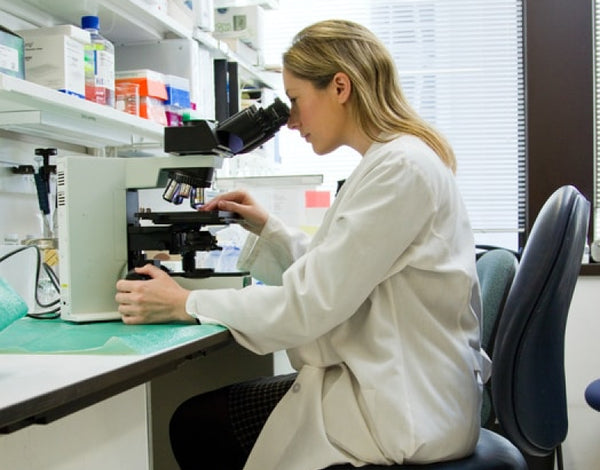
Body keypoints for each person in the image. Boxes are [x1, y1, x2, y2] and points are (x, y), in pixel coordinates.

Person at [115, 19, 489, 470]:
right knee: (207, 421)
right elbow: (341, 275)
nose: (290, 120)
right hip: (400, 386)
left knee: (197, 425)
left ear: (339, 86)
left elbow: (309, 306)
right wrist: (269, 228)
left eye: (295, 100)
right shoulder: (394, 161)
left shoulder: (399, 170)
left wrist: (187, 303)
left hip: (403, 407)